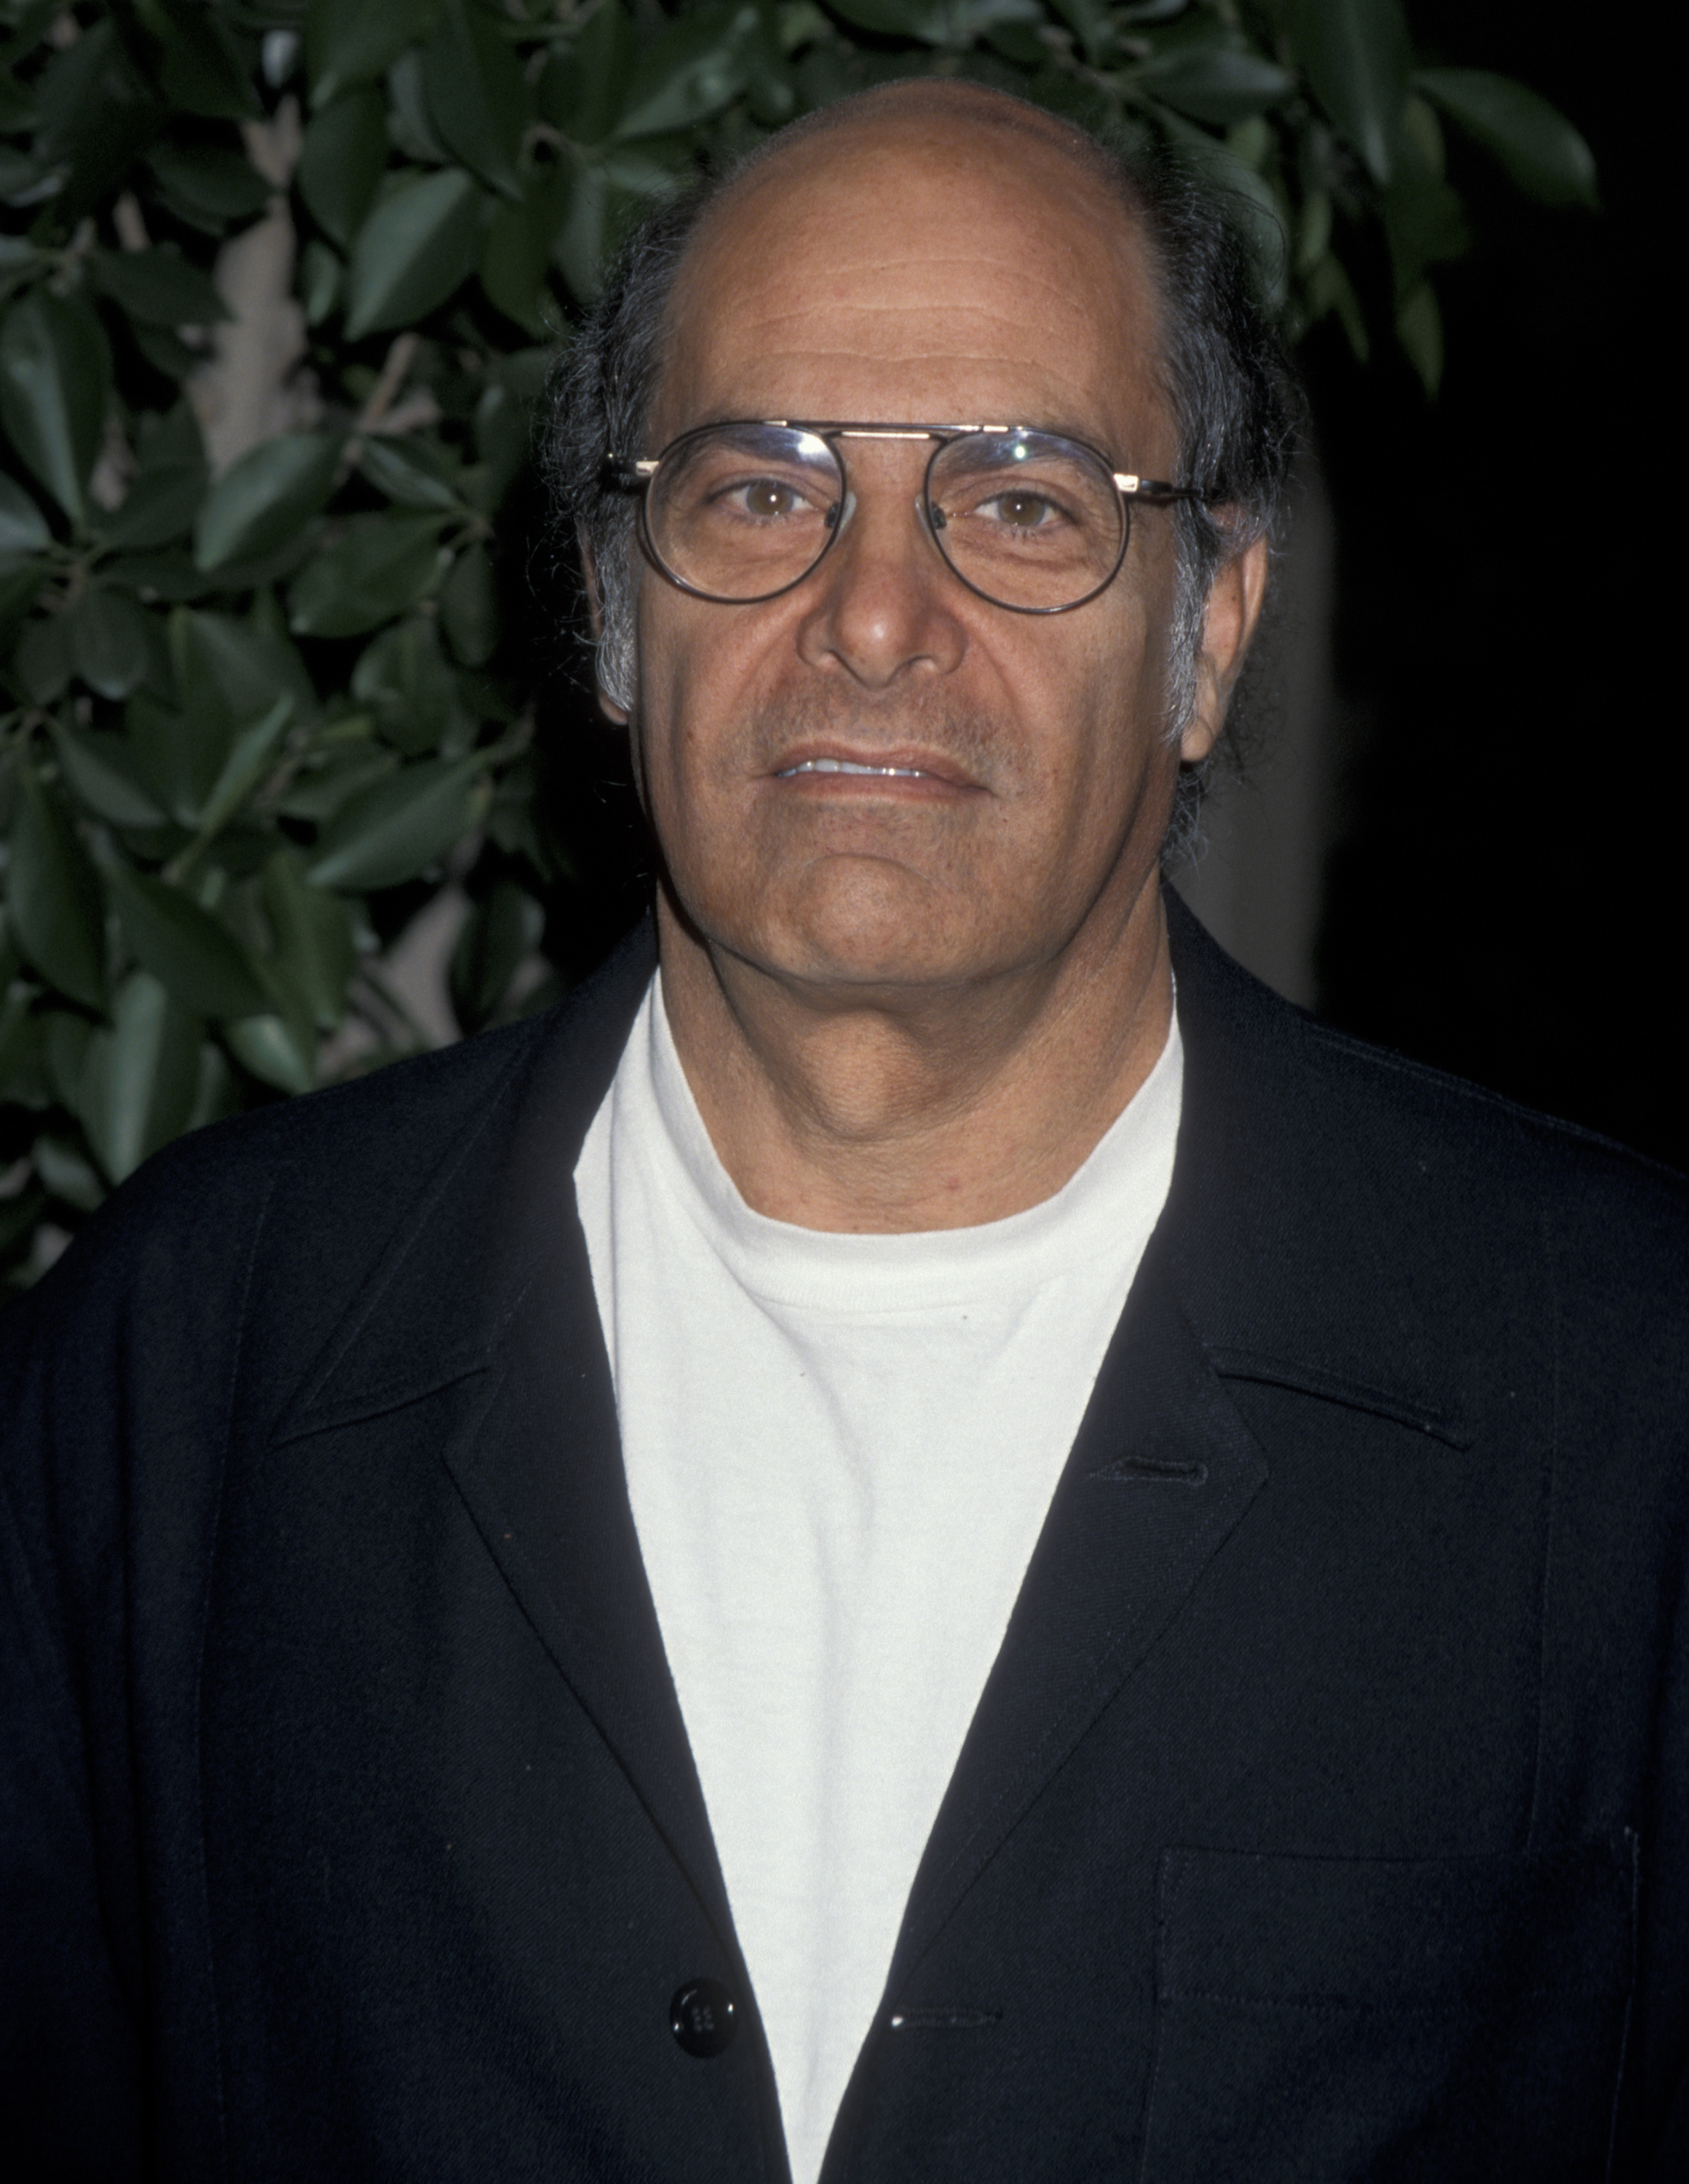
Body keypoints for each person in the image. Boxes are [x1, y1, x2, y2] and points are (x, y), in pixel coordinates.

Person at [2, 78, 1685, 2184]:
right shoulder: (180, 1376)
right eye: (760, 490)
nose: (875, 618)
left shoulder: (1610, 1399)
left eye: (1024, 498)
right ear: (618, 606)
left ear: (1209, 631)